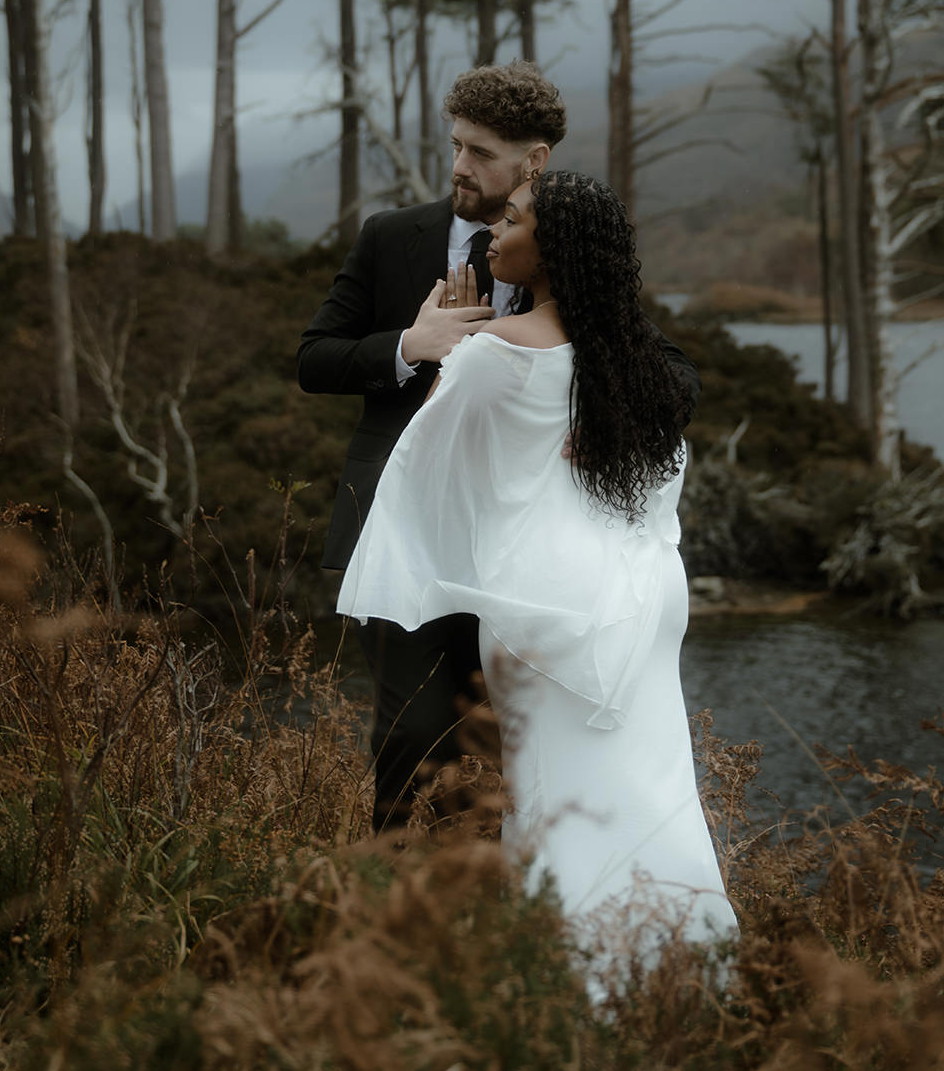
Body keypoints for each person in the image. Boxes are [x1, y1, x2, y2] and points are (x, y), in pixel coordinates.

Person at [336, 170, 737, 965]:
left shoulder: (489, 352)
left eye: (511, 221)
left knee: (554, 792)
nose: (493, 236)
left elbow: (425, 468)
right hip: (641, 592)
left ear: (548, 250)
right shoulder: (628, 360)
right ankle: (689, 956)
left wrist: (438, 339)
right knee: (650, 785)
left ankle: (572, 972)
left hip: (543, 599)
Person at [297, 62, 698, 830]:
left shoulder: (561, 248)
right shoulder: (391, 239)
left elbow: (672, 371)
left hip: (521, 550)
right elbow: (314, 358)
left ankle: (496, 916)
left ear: (533, 162)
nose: (459, 167)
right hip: (406, 532)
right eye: (456, 145)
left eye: (480, 152)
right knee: (413, 731)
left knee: (507, 737)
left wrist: (616, 416)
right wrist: (411, 345)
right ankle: (394, 902)